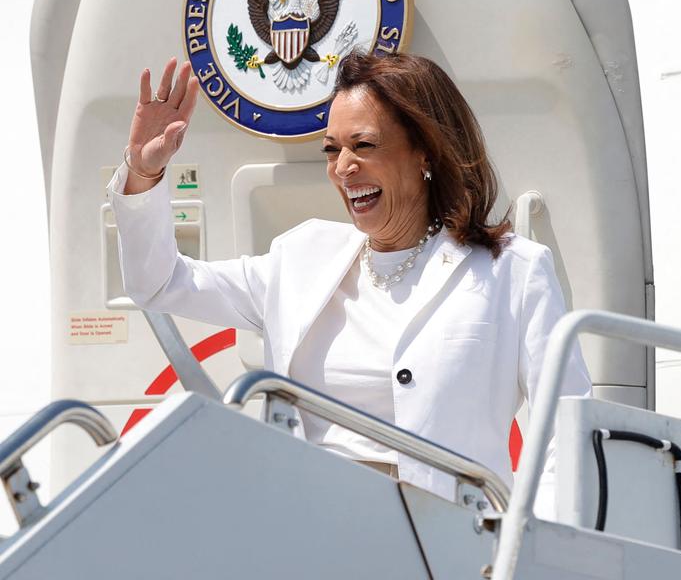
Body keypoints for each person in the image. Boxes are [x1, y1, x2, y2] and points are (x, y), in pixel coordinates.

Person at [111, 51, 592, 505]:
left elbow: (566, 432)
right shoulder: (300, 258)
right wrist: (143, 173)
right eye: (331, 150)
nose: (343, 168)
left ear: (426, 152)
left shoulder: (513, 270)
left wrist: (530, 550)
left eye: (364, 145)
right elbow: (158, 282)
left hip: (452, 542)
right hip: (317, 536)